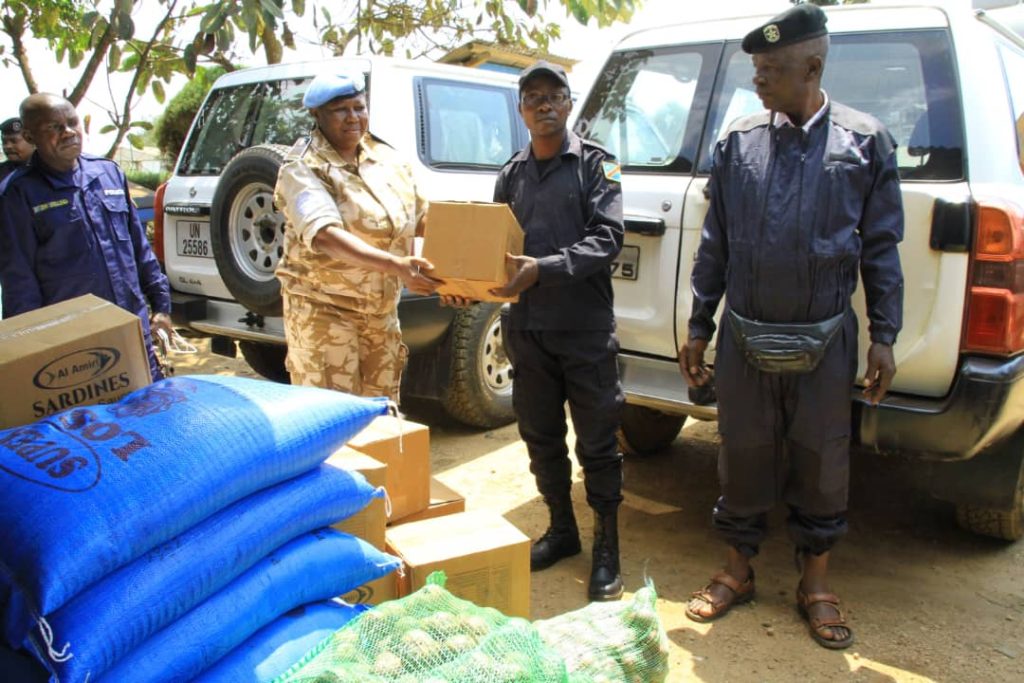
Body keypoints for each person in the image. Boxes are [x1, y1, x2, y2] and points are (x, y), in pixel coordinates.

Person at [678, 4, 904, 649]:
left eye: (772, 68)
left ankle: (816, 584)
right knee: (742, 453)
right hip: (746, 334)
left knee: (821, 458)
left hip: (827, 335)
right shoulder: (737, 143)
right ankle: (736, 571)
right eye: (756, 69)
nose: (759, 81)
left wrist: (884, 334)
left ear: (813, 66)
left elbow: (882, 247)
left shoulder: (864, 141)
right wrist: (700, 324)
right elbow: (715, 242)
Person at [490, 61, 626, 601]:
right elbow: (491, 245)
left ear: (570, 105)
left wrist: (542, 268)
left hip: (584, 329)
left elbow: (607, 238)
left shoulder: (599, 166)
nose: (544, 105)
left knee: (597, 443)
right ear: (521, 110)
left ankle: (607, 546)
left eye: (555, 96)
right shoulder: (510, 174)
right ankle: (563, 532)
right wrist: (467, 282)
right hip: (527, 329)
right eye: (533, 98)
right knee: (541, 438)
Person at [274, 71, 441, 403]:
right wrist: (397, 265)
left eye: (359, 107)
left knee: (382, 417)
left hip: (380, 317)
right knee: (332, 422)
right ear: (316, 115)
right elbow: (325, 236)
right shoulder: (303, 166)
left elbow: (422, 219)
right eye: (340, 110)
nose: (353, 117)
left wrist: (467, 262)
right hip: (324, 315)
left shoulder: (388, 160)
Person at [0, 94, 172, 381]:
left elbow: (140, 251)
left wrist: (162, 307)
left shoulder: (108, 174)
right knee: (88, 424)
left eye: (72, 122)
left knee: (145, 411)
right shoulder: (18, 194)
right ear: (30, 136)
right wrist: (31, 354)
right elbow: (20, 283)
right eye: (53, 127)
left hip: (132, 331)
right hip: (72, 351)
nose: (67, 132)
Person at [0, 117, 35, 182]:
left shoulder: (48, 171)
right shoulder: (2, 170)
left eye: (14, 141)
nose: (8, 146)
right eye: (4, 142)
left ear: (31, 141)